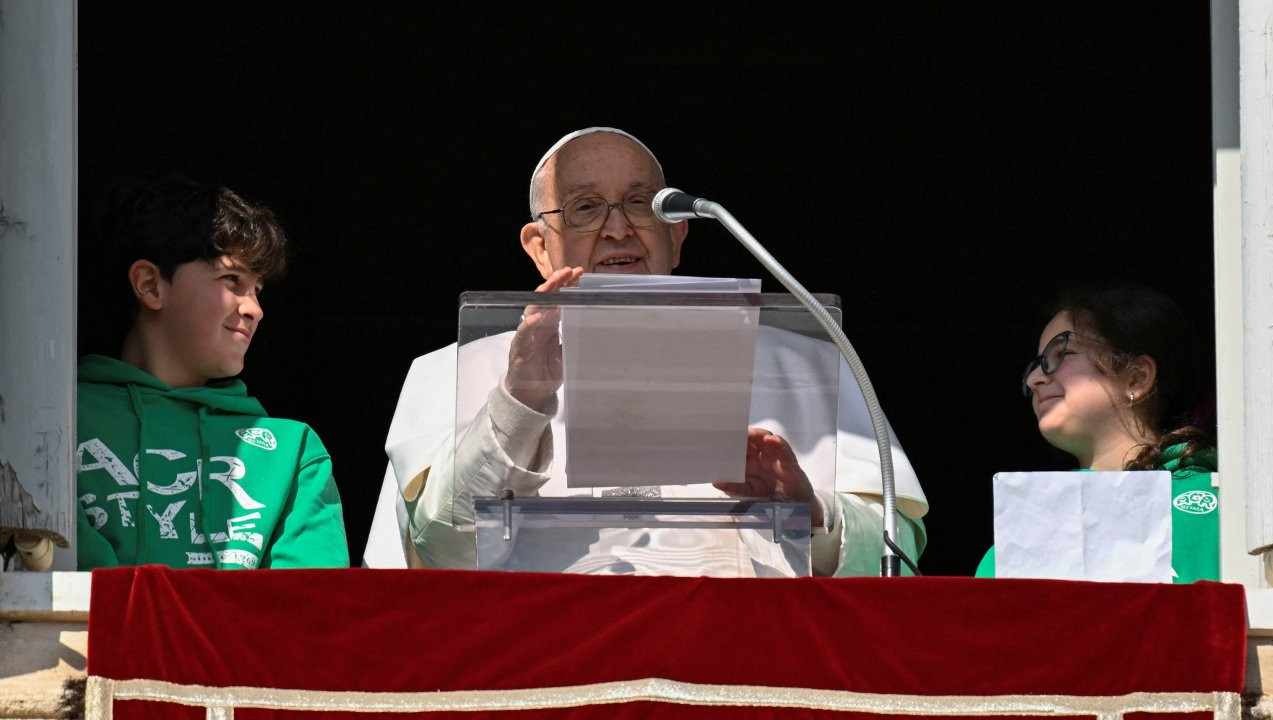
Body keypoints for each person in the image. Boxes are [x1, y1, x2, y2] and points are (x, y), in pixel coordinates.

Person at [363, 127, 928, 576]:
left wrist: (813, 517)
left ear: (678, 236)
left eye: (641, 205)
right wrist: (518, 404)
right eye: (584, 207)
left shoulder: (809, 365)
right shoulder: (449, 372)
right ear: (538, 246)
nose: (618, 229)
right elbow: (434, 558)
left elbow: (895, 556)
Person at [76, 173, 348, 569]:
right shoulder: (53, 423)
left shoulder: (291, 451)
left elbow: (309, 614)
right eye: (232, 279)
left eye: (257, 289)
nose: (254, 309)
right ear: (151, 285)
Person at [976, 284, 1217, 582]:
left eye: (1061, 353)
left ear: (1136, 378)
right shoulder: (1023, 531)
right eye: (1036, 365)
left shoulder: (1223, 504)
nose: (1036, 378)